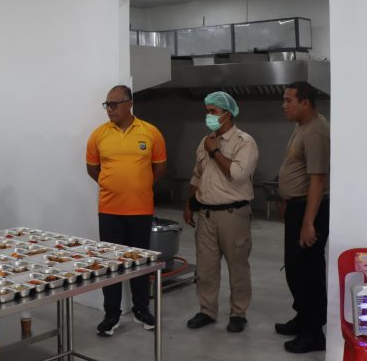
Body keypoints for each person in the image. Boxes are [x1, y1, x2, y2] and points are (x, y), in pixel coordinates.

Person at [86, 85, 167, 337]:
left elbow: (159, 167)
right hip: (109, 211)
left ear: (129, 104)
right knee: (110, 264)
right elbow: (92, 169)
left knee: (139, 263)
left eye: (114, 104)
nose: (109, 109)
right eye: (107, 105)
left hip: (140, 210)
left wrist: (141, 186)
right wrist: (112, 186)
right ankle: (111, 313)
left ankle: (141, 309)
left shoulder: (151, 132)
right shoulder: (99, 135)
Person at [183, 92, 259, 333]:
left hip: (232, 215)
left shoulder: (244, 142)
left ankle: (238, 313)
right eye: (206, 111)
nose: (209, 116)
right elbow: (197, 174)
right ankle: (207, 310)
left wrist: (216, 152)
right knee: (205, 267)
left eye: (213, 112)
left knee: (238, 267)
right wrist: (189, 202)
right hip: (206, 215)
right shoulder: (205, 141)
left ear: (228, 113)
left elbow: (237, 173)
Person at [275, 81, 330, 354]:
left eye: (289, 100)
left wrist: (308, 223)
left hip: (311, 211)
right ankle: (303, 317)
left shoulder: (317, 131)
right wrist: (288, 201)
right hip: (298, 207)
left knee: (308, 271)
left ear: (305, 102)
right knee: (296, 269)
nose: (284, 105)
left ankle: (313, 332)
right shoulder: (303, 126)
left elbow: (318, 181)